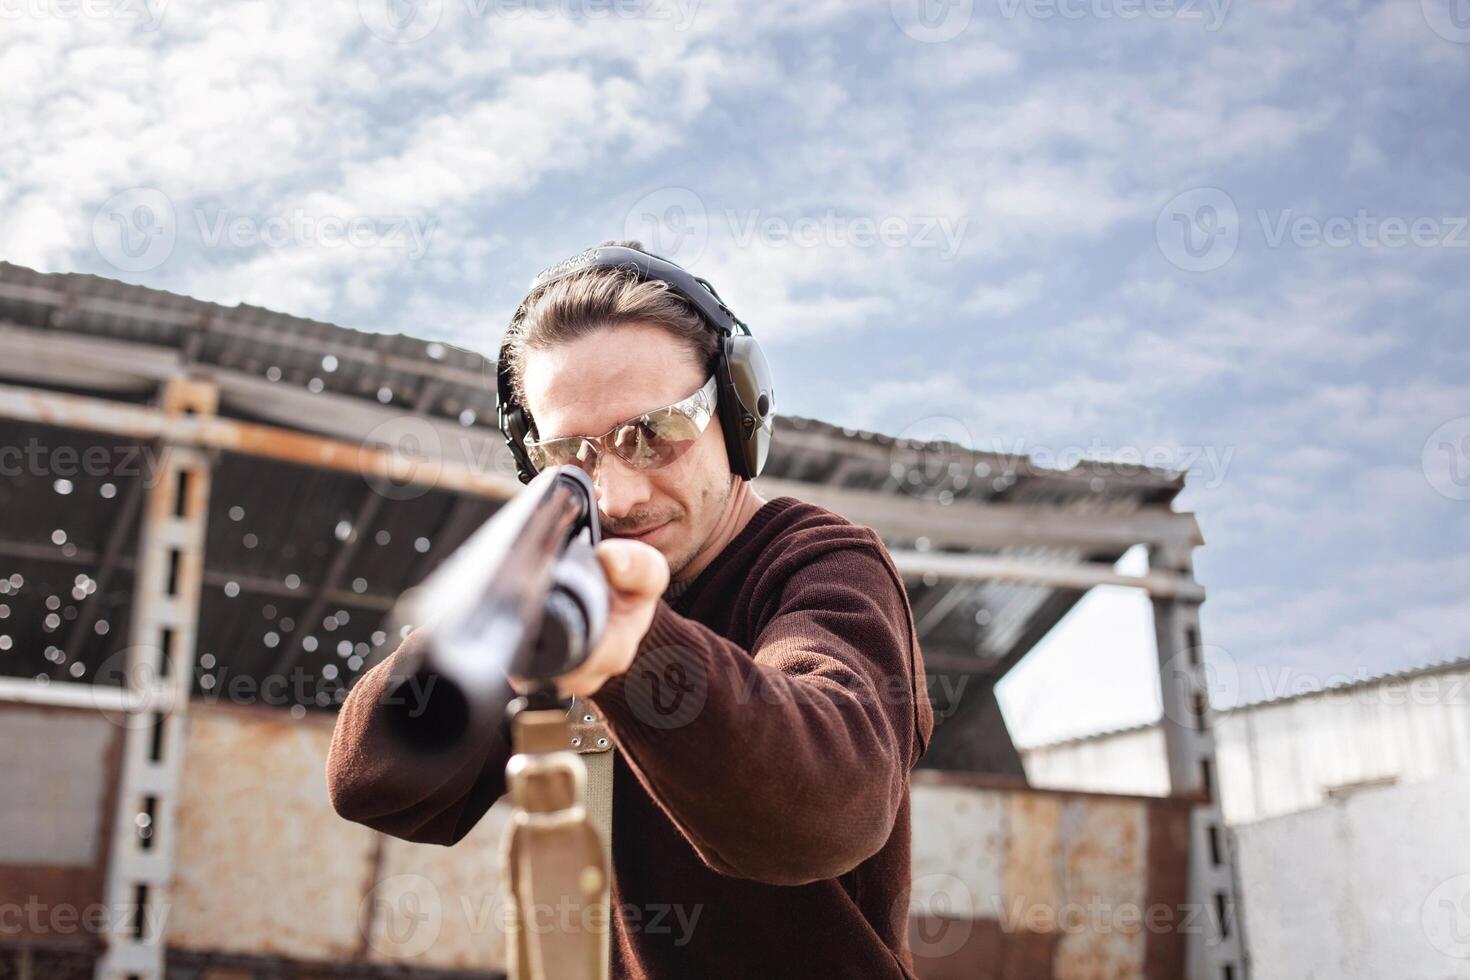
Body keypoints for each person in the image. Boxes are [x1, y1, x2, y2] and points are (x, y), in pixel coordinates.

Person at [326, 242, 934, 978]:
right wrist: (517, 617)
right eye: (573, 455)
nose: (619, 496)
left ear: (737, 415)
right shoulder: (556, 587)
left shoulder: (821, 564)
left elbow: (829, 809)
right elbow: (373, 785)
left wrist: (630, 644)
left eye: (655, 433)